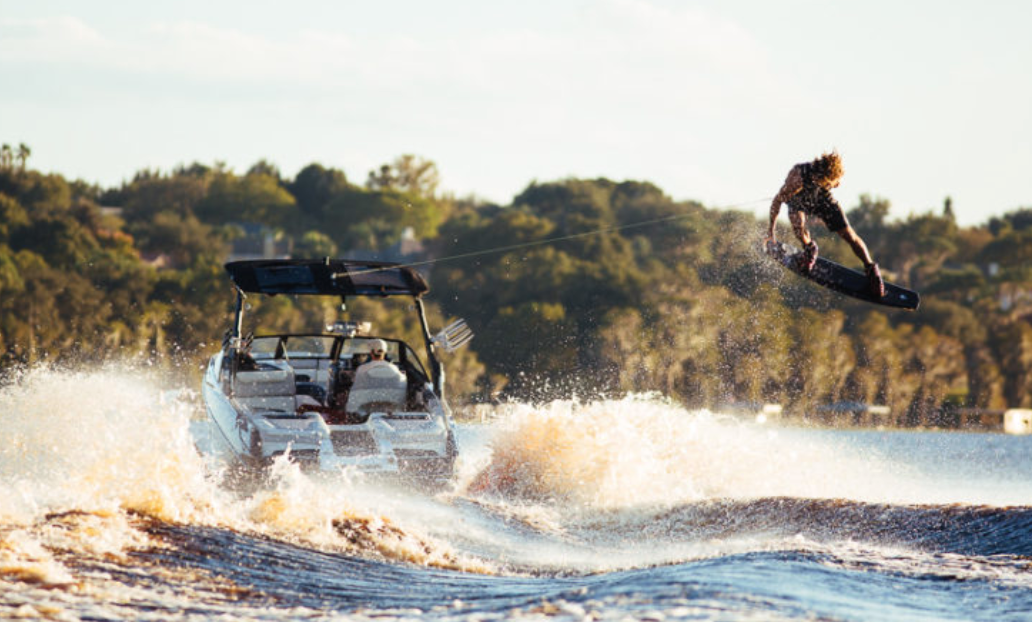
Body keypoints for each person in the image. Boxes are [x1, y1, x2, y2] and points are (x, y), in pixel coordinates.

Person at [766, 151, 885, 298]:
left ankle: (871, 270)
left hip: (822, 200)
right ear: (823, 177)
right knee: (798, 223)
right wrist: (771, 231)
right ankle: (809, 248)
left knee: (849, 236)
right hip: (799, 200)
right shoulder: (797, 178)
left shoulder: (828, 182)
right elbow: (776, 202)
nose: (836, 186)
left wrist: (831, 185)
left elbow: (834, 184)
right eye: (832, 183)